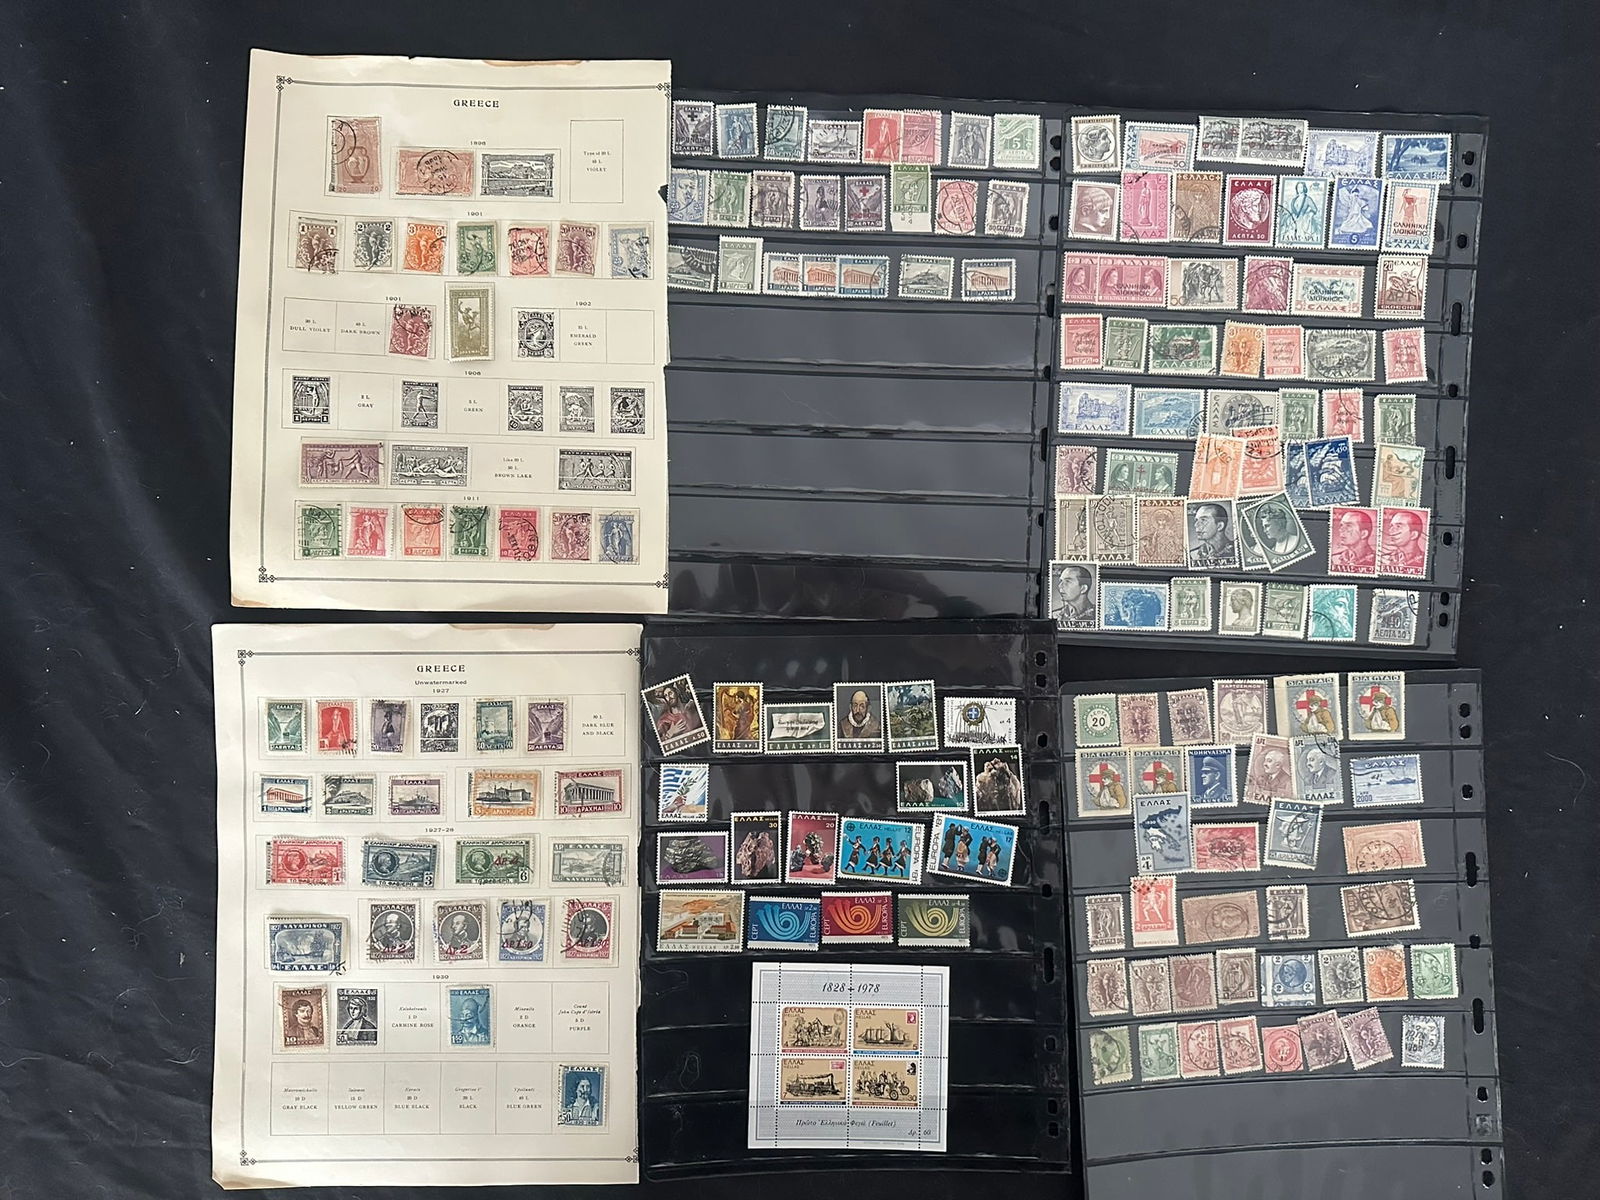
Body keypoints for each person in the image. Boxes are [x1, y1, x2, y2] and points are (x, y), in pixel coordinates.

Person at [1380, 508, 1428, 575]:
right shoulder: (1385, 559)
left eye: (1398, 526)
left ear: (1413, 535)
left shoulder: (1426, 561)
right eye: (1391, 526)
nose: (1391, 530)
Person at [1187, 502, 1235, 569]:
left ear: (1220, 526)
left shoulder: (1236, 551)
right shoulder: (1193, 555)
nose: (1196, 525)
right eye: (1196, 520)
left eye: (1203, 520)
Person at [1051, 563, 1096, 628]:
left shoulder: (1097, 615)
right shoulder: (1054, 615)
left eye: (1068, 581)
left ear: (1083, 588)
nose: (1059, 586)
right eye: (1061, 581)